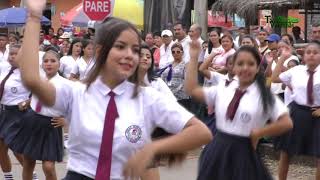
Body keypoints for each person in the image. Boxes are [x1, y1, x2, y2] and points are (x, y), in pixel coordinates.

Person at [19, 1, 213, 180]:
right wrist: (34, 17)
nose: (130, 55)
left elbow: (201, 132)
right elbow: (31, 79)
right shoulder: (76, 93)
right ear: (99, 51)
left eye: (135, 50)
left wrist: (153, 149)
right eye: (120, 47)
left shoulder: (147, 97)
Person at [185, 42, 293, 180]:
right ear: (233, 67)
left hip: (243, 151)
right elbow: (192, 90)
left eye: (251, 64)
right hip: (218, 148)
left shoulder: (263, 94)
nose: (245, 68)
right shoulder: (224, 88)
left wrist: (260, 132)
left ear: (257, 67)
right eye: (240, 63)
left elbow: (286, 122)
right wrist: (194, 57)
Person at [8, 48, 67, 180]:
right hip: (32, 121)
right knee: (28, 163)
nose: (49, 63)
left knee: (48, 167)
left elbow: (76, 106)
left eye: (53, 61)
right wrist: (28, 102)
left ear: (59, 64)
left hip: (51, 125)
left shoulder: (66, 84)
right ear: (42, 64)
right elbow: (37, 95)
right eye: (46, 61)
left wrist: (66, 120)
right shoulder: (38, 79)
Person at [271, 41, 320, 180]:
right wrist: (282, 57)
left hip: (317, 115)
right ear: (303, 56)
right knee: (286, 152)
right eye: (308, 52)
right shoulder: (296, 71)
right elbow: (274, 79)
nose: (311, 55)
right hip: (297, 113)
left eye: (315, 53)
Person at [137, 43, 176, 180]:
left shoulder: (156, 82)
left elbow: (172, 103)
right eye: (141, 55)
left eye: (148, 56)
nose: (145, 58)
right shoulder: (122, 80)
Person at [0, 44, 38, 180]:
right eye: (11, 54)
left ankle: (31, 175)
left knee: (16, 148)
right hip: (2, 111)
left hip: (18, 113)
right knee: (1, 147)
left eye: (16, 54)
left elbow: (39, 92)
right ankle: (8, 176)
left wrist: (28, 102)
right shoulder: (4, 69)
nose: (12, 56)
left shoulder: (28, 72)